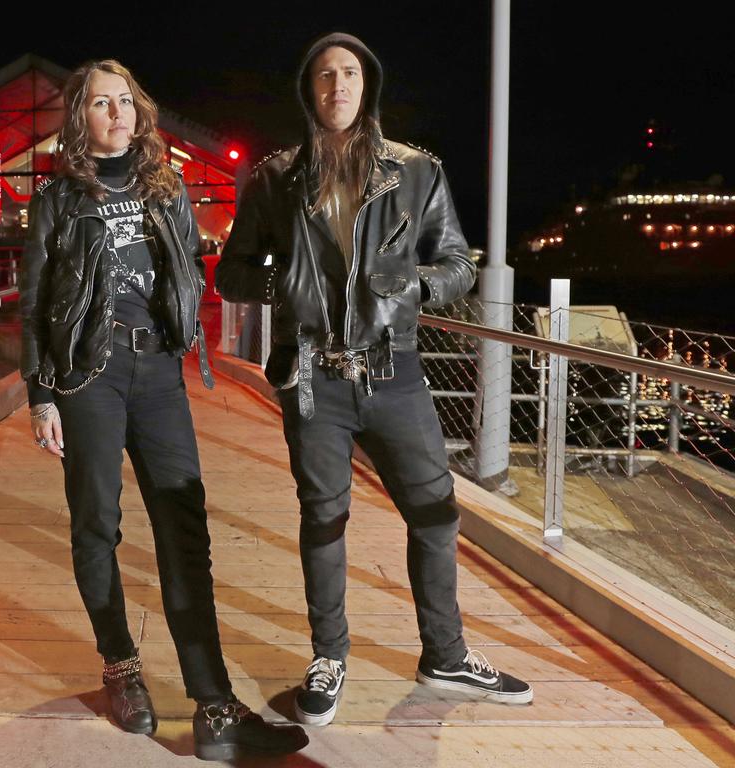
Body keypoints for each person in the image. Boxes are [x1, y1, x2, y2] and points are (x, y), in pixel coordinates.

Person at [217, 32, 533, 727]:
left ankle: (444, 654)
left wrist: (410, 284)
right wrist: (279, 277)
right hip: (312, 380)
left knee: (435, 512)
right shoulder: (275, 178)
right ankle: (329, 654)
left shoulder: (415, 172)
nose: (337, 85)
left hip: (395, 375)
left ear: (369, 86)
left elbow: (458, 265)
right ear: (309, 90)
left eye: (350, 73)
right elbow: (231, 271)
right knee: (323, 518)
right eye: (324, 74)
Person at [18, 59, 308, 761]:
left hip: (157, 370)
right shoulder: (57, 202)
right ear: (81, 120)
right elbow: (32, 305)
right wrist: (40, 395)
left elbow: (187, 275)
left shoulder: (166, 190)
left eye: (125, 101)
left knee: (185, 528)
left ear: (139, 111)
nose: (117, 113)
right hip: (89, 372)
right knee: (98, 523)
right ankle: (121, 667)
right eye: (100, 104)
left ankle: (213, 705)